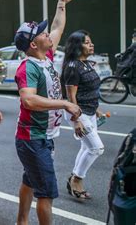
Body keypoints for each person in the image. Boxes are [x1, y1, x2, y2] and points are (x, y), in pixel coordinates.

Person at [13, 0, 81, 225]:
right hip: (33, 138)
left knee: (31, 180)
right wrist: (65, 103)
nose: (48, 34)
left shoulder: (46, 56)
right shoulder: (28, 68)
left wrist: (61, 4)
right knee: (47, 192)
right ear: (33, 44)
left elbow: (58, 26)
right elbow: (29, 101)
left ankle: (21, 221)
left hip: (42, 137)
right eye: (42, 34)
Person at [62, 30, 104, 199]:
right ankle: (76, 179)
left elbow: (90, 89)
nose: (91, 44)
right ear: (77, 46)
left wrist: (97, 108)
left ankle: (74, 176)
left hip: (90, 111)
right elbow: (71, 97)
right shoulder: (73, 67)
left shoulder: (86, 63)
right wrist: (77, 120)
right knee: (96, 148)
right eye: (87, 42)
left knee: (86, 147)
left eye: (90, 41)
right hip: (79, 113)